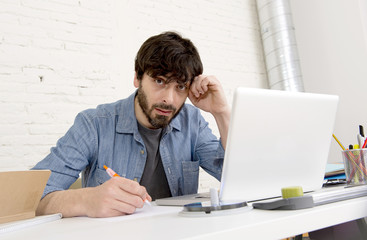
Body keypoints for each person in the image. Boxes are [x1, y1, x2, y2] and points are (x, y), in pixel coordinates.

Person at [32, 31, 230, 218]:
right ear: (137, 77)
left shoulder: (191, 122)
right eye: (160, 81)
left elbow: (240, 177)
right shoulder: (94, 125)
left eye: (180, 87)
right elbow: (31, 198)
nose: (169, 99)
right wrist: (87, 199)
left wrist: (221, 113)